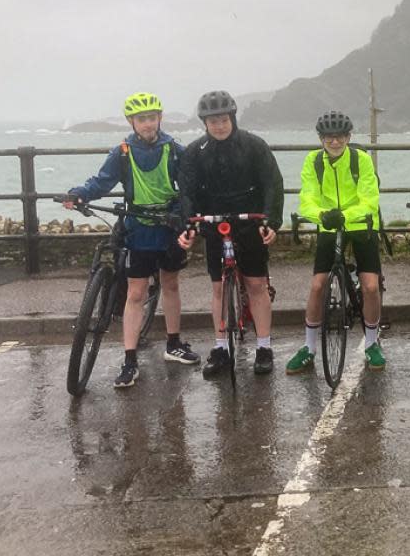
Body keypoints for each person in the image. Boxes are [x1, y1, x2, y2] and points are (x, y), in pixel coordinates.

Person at [63, 92, 197, 388]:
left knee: (171, 283)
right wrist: (79, 193)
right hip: (139, 228)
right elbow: (102, 181)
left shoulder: (174, 149)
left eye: (152, 118)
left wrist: (187, 221)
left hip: (170, 226)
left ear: (159, 118)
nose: (148, 124)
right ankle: (130, 360)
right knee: (136, 292)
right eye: (141, 119)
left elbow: (189, 189)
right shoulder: (122, 152)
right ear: (131, 122)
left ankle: (173, 344)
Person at [177, 90, 284, 377]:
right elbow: (186, 192)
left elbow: (272, 183)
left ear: (232, 118)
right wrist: (187, 225)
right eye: (213, 122)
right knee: (217, 288)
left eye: (223, 120)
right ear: (205, 124)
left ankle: (264, 347)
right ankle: (221, 347)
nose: (219, 126)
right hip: (215, 223)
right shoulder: (194, 153)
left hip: (249, 221)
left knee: (256, 285)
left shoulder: (253, 146)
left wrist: (271, 221)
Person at [286, 111, 386, 374]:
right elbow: (306, 197)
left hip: (361, 224)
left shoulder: (360, 159)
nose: (334, 142)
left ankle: (372, 344)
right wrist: (321, 215)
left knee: (371, 287)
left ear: (348, 137)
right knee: (318, 285)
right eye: (329, 137)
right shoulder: (313, 161)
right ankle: (309, 347)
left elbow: (370, 198)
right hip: (329, 224)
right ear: (321, 139)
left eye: (340, 137)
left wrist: (346, 215)